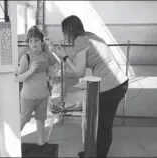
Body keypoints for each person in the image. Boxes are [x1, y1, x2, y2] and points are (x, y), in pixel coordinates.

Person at [52, 15, 129, 157]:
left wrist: (63, 57)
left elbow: (79, 71)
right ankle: (92, 152)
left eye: (65, 32)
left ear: (69, 30)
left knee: (104, 126)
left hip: (111, 86)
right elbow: (84, 62)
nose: (65, 36)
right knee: (99, 123)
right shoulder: (90, 36)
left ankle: (98, 155)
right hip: (117, 84)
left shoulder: (80, 40)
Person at [19, 26, 57, 146]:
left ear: (41, 41)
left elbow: (50, 71)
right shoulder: (26, 58)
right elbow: (19, 78)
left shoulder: (45, 56)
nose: (33, 43)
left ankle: (40, 140)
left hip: (43, 95)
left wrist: (52, 73)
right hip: (28, 96)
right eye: (30, 41)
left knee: (41, 119)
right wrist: (30, 71)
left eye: (36, 40)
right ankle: (13, 140)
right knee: (24, 119)